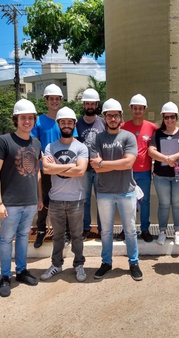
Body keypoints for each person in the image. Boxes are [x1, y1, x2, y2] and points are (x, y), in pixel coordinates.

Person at [0, 99, 43, 298]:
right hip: (9, 203)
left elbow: (37, 172)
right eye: (23, 118)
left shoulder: (36, 143)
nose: (27, 121)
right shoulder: (4, 141)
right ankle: (5, 276)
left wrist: (38, 197)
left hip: (29, 202)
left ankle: (21, 271)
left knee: (22, 237)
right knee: (5, 240)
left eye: (30, 118)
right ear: (16, 119)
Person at [90, 98, 143, 281]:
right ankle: (106, 262)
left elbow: (129, 162)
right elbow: (95, 167)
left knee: (130, 230)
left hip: (126, 190)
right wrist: (116, 164)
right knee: (105, 231)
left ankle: (133, 262)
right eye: (109, 115)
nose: (112, 119)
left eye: (116, 115)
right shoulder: (98, 138)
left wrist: (104, 163)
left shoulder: (128, 137)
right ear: (104, 118)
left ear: (121, 117)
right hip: (104, 191)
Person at [40, 107, 88, 282]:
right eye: (63, 122)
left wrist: (57, 167)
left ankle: (79, 264)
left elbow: (81, 171)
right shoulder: (50, 146)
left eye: (69, 122)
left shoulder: (81, 147)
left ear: (74, 124)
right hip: (56, 199)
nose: (66, 125)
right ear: (58, 124)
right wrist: (71, 166)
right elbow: (46, 169)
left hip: (76, 199)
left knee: (77, 235)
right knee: (58, 236)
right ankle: (56, 264)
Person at [31, 84, 71, 249]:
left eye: (57, 99)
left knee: (65, 200)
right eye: (51, 99)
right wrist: (44, 160)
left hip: (64, 169)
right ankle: (41, 231)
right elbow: (34, 144)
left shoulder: (66, 119)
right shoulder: (39, 121)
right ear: (46, 100)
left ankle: (67, 232)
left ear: (61, 100)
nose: (54, 101)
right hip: (45, 169)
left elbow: (72, 142)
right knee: (43, 201)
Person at [148, 101, 179, 246]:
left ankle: (178, 231)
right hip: (161, 175)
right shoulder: (157, 134)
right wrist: (167, 159)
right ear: (163, 118)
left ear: (176, 117)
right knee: (164, 204)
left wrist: (173, 157)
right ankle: (162, 231)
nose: (169, 120)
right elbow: (151, 151)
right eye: (166, 117)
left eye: (172, 117)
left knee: (178, 204)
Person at [120, 94, 158, 242]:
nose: (137, 111)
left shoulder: (152, 127)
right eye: (135, 108)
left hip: (145, 171)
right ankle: (126, 228)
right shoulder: (123, 127)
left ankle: (144, 229)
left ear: (144, 109)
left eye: (140, 108)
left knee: (145, 201)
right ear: (131, 109)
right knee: (126, 200)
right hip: (126, 171)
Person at [76, 88, 106, 239]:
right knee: (85, 199)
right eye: (87, 103)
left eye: (92, 103)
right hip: (84, 169)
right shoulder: (77, 123)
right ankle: (86, 228)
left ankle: (102, 229)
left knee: (102, 199)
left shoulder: (102, 122)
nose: (89, 106)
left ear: (96, 104)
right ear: (83, 105)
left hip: (100, 168)